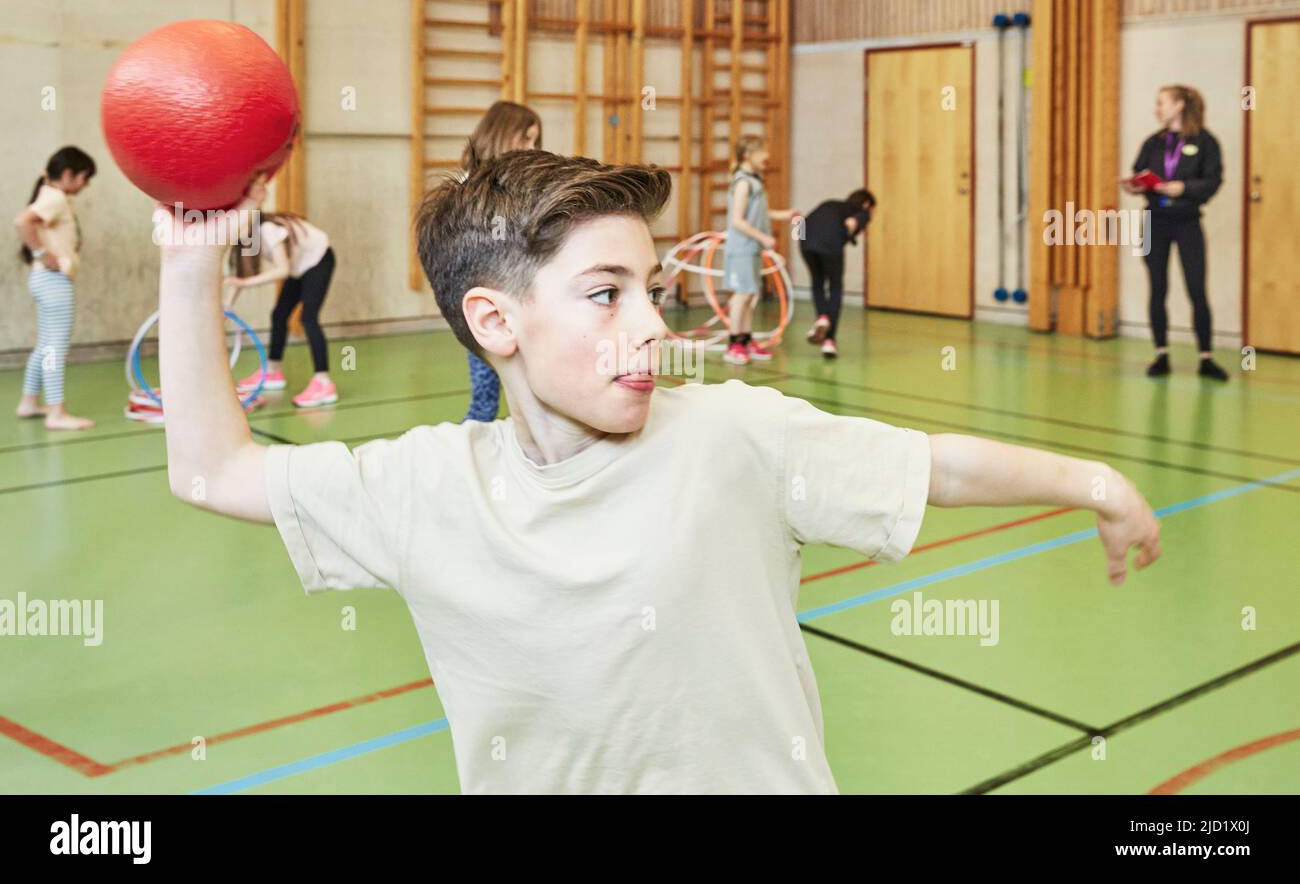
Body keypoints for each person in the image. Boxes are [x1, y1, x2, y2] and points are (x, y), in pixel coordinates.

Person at [156, 150, 1161, 794]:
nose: (651, 323)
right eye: (606, 293)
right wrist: (194, 258)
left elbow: (931, 463)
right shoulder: (425, 488)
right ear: (494, 322)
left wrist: (1096, 482)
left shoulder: (731, 435)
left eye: (652, 288)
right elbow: (209, 470)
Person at [1122, 85, 1227, 381]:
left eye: (1161, 103)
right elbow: (1139, 172)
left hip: (1187, 222)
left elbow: (1213, 180)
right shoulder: (1154, 143)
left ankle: (1206, 357)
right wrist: (1134, 185)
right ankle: (1161, 353)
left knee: (1196, 288)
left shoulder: (1205, 142)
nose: (1157, 109)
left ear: (1179, 106)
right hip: (1155, 220)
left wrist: (1185, 188)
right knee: (1157, 288)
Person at [457, 100, 542, 422]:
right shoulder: (470, 185)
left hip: (521, 293)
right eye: (525, 139)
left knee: (533, 385)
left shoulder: (522, 183)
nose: (531, 147)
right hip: (486, 300)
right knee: (485, 392)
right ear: (503, 135)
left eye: (535, 140)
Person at [226, 175, 338, 408]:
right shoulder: (247, 238)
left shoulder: (266, 229)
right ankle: (273, 370)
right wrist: (227, 306)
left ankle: (324, 382)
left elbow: (282, 270)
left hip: (319, 260)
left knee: (309, 318)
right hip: (300, 267)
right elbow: (241, 276)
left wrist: (246, 284)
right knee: (279, 315)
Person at [13, 146, 97, 430]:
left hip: (44, 281)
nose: (86, 185)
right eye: (85, 178)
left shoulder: (53, 196)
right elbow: (22, 221)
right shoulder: (56, 197)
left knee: (45, 345)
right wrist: (40, 253)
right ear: (69, 174)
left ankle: (29, 401)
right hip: (53, 282)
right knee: (55, 348)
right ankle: (56, 412)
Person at [720, 135, 797, 365]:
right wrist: (763, 236)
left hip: (752, 249)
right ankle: (734, 344)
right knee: (741, 296)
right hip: (742, 248)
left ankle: (746, 339)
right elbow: (737, 221)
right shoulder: (742, 182)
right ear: (747, 155)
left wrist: (784, 215)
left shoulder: (755, 181)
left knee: (750, 294)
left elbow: (759, 213)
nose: (767, 156)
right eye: (762, 152)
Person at [798, 189, 875, 359]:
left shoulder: (830, 204)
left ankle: (822, 317)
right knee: (835, 286)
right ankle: (829, 341)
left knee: (817, 282)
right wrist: (858, 221)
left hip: (804, 241)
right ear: (866, 204)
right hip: (830, 242)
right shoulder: (861, 211)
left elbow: (803, 222)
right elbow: (855, 221)